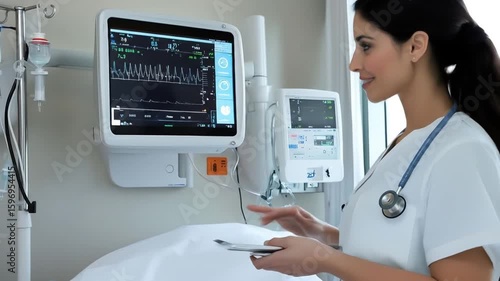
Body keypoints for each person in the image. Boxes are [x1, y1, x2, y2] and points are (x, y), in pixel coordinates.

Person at [247, 0, 500, 280]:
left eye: (366, 46)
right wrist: (320, 234)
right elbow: (400, 250)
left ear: (416, 46)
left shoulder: (461, 150)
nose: (354, 64)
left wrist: (326, 260)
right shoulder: (409, 142)